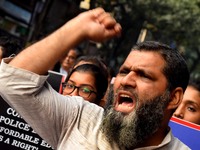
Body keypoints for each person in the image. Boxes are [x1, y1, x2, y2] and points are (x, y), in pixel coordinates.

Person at [0, 7, 190, 150]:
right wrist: (78, 28)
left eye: (144, 75)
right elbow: (12, 81)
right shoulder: (79, 117)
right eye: (124, 71)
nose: (126, 81)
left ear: (173, 98)